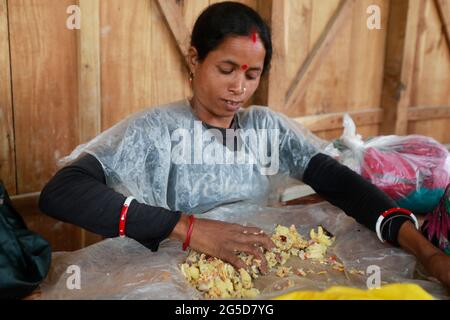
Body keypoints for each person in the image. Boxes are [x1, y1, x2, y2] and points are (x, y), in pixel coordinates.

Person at [39, 1, 449, 286]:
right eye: (227, 69)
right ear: (195, 59)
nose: (238, 87)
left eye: (252, 75)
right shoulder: (153, 130)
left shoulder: (265, 128)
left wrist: (425, 251)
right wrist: (188, 228)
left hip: (256, 270)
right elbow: (61, 193)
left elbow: (343, 186)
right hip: (176, 277)